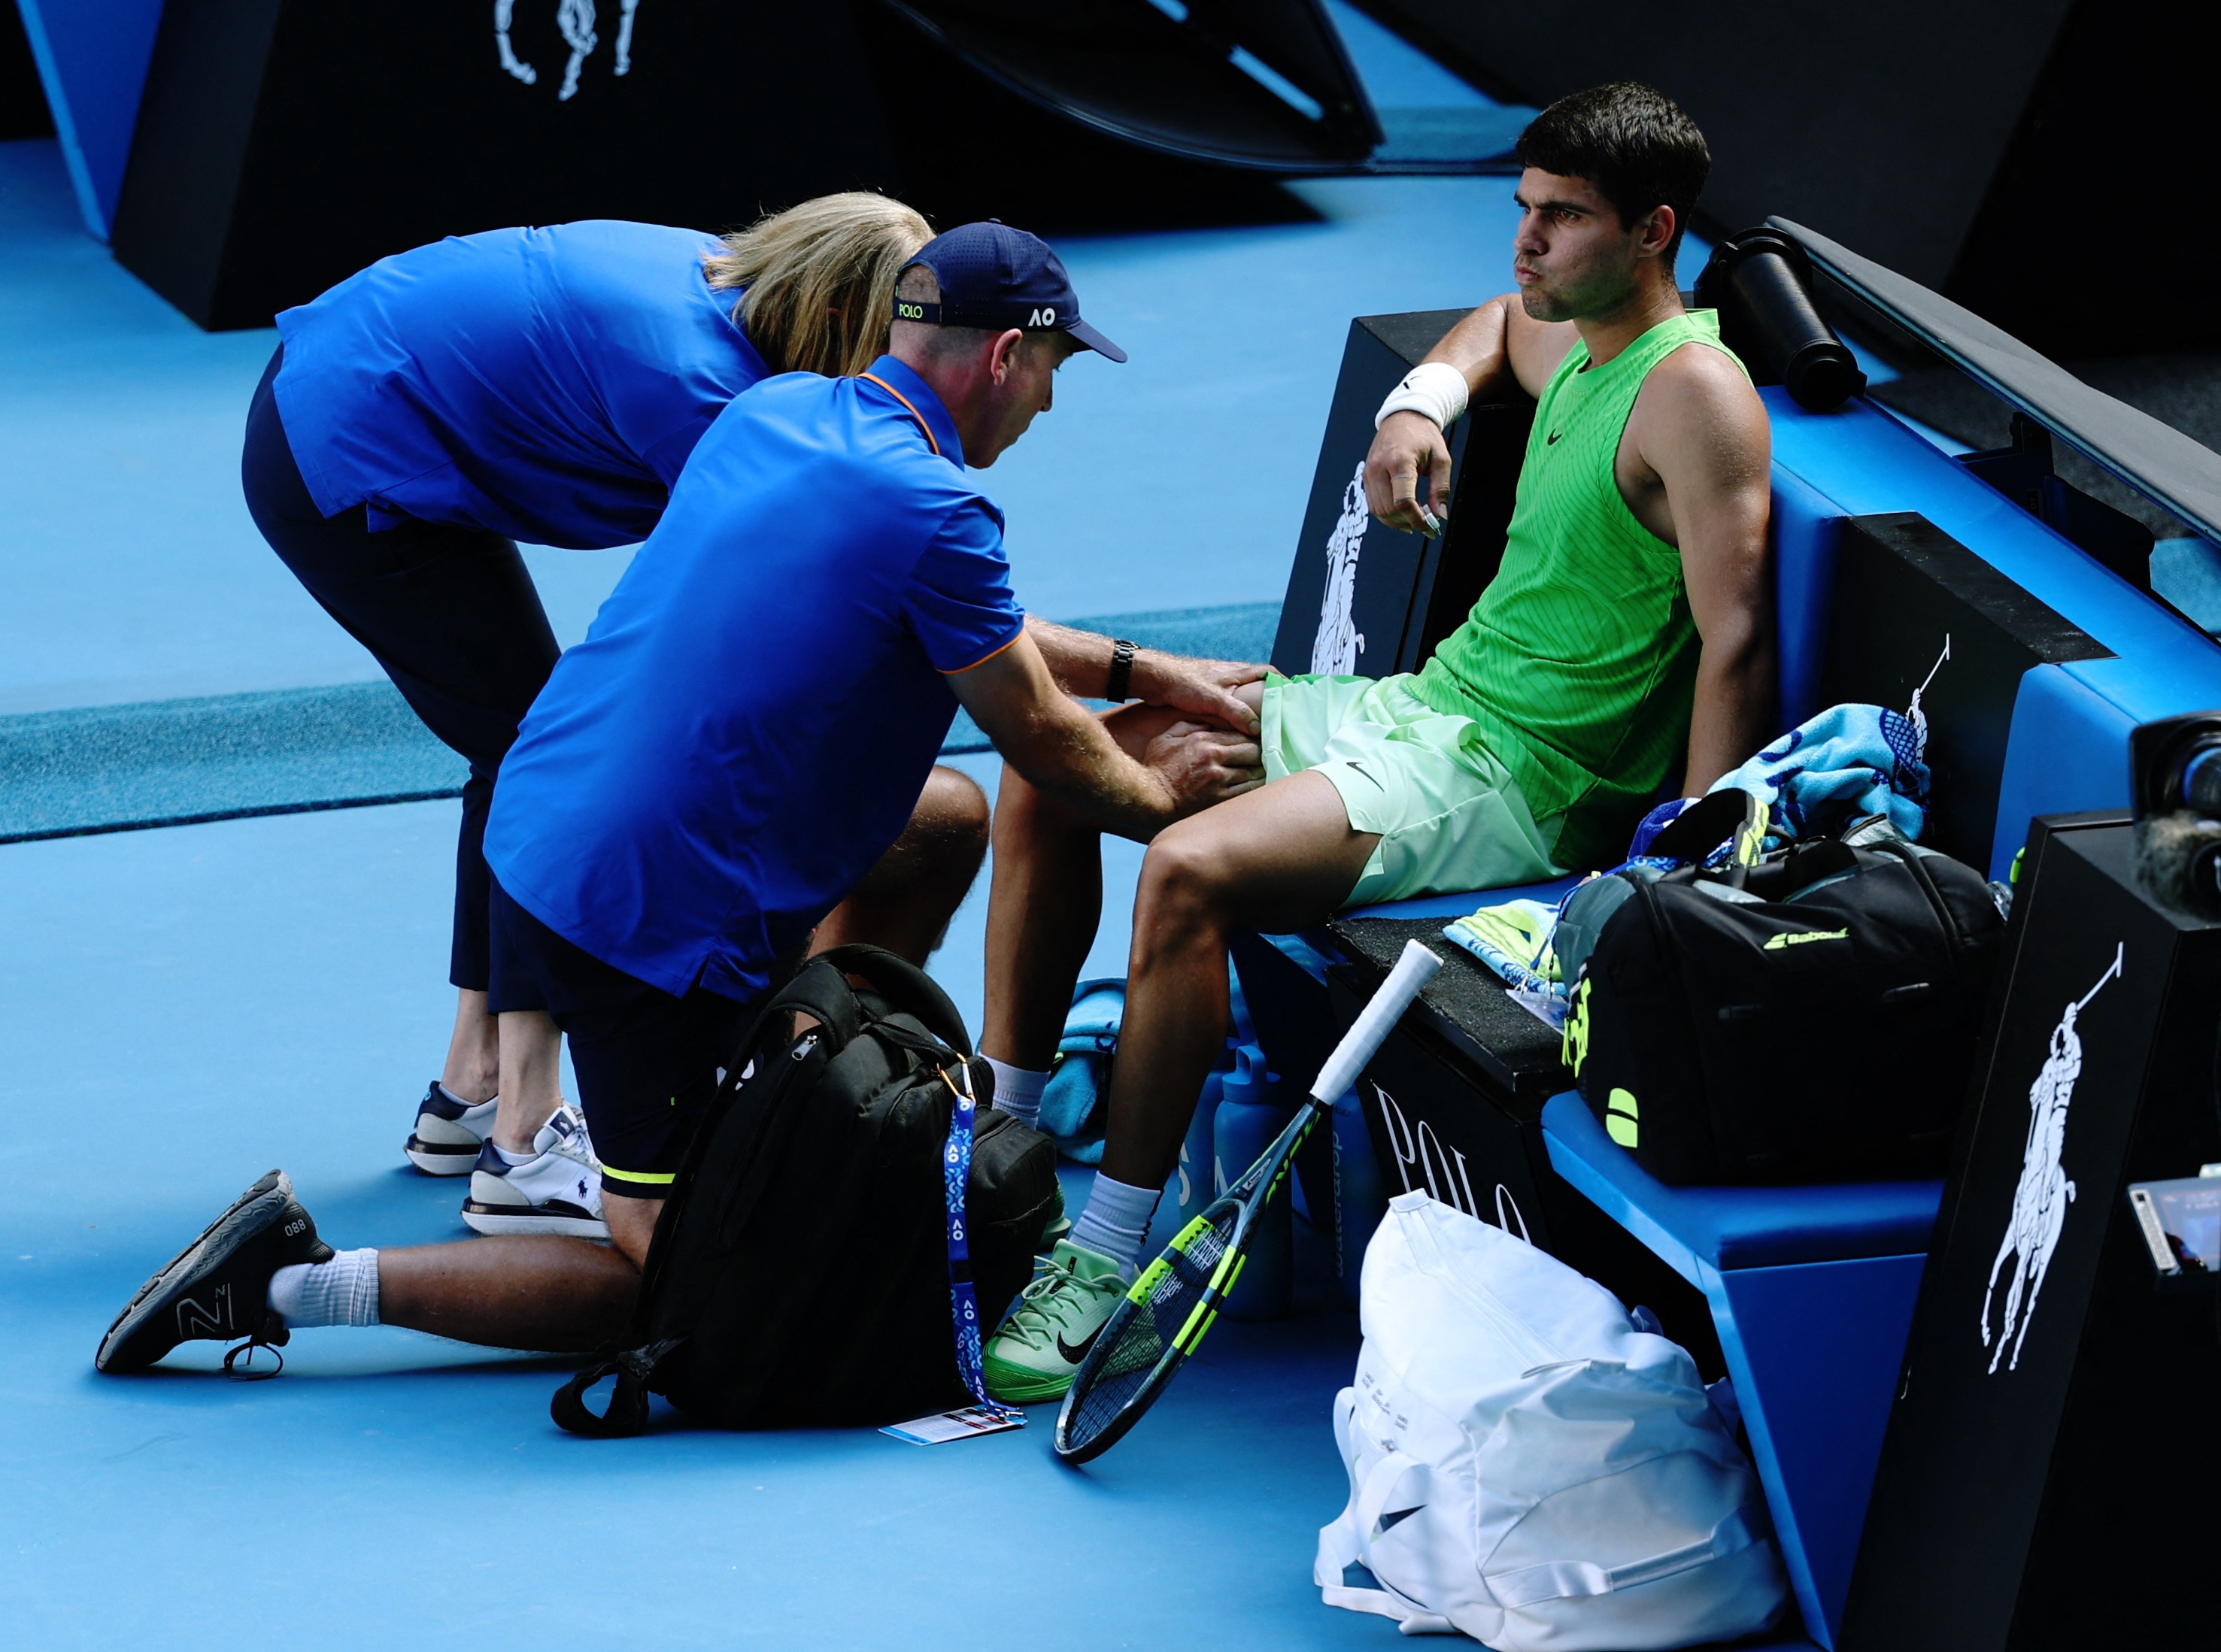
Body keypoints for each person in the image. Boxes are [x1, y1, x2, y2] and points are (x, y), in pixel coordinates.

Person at [96, 221, 1270, 1376]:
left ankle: (782, 1069)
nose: (1050, 407)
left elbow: (973, 637)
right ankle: (290, 1281)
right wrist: (1182, 817)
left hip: (556, 829)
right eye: (1055, 373)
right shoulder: (934, 512)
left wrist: (1150, 674)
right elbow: (1046, 740)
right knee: (685, 1282)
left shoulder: (771, 413)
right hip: (642, 915)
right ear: (1007, 356)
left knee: (941, 821)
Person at [972, 82, 1776, 1402]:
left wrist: (1676, 880)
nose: (1525, 244)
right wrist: (1417, 402)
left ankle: (1108, 1254)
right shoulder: (1573, 333)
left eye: (1561, 219)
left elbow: (1734, 641)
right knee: (1048, 766)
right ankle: (1002, 1141)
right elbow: (1490, 327)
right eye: (1520, 209)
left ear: (1654, 232)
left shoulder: (1691, 395)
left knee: (1187, 872)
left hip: (1512, 776)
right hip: (1416, 715)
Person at [243, 192, 954, 1242]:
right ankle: (526, 1139)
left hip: (372, 386)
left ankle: (470, 1087)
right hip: (345, 448)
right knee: (537, 753)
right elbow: (765, 596)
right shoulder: (702, 393)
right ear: (850, 316)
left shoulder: (728, 285)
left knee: (520, 734)